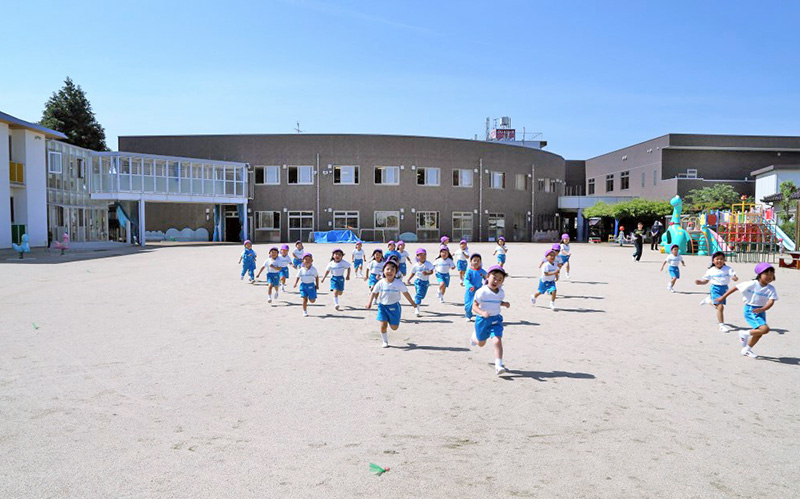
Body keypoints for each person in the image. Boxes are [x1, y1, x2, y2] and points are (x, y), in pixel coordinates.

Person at [714, 262, 778, 359]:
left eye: (771, 274)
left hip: (761, 310)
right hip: (751, 310)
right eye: (766, 274)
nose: (769, 276)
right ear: (760, 274)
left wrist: (763, 309)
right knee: (765, 329)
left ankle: (746, 349)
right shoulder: (752, 283)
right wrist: (722, 297)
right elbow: (735, 287)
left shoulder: (771, 288)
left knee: (759, 333)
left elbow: (771, 301)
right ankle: (744, 333)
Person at [366, 259, 418, 348]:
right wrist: (369, 303)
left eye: (392, 270)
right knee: (383, 326)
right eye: (388, 269)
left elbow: (406, 293)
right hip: (382, 306)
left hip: (394, 307)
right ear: (383, 270)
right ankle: (385, 341)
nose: (390, 271)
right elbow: (373, 292)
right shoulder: (381, 282)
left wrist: (413, 304)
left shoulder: (399, 283)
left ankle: (393, 319)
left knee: (394, 327)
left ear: (396, 272)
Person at [470, 265, 511, 375]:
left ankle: (498, 365)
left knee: (497, 340)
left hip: (496, 319)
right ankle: (474, 337)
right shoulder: (481, 292)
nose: (496, 281)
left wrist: (504, 303)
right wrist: (482, 313)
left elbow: (496, 302)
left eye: (500, 279)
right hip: (482, 320)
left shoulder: (501, 293)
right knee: (481, 343)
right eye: (494, 277)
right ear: (488, 276)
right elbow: (474, 306)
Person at [696, 251, 739, 331]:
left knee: (719, 307)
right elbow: (706, 280)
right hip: (715, 289)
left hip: (724, 289)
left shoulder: (728, 269)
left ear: (724, 260)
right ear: (713, 261)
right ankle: (721, 325)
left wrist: (735, 278)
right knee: (720, 307)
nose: (719, 261)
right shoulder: (711, 270)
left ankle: (708, 301)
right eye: (717, 259)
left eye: (722, 259)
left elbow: (733, 276)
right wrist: (700, 282)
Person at [293, 252, 319, 317]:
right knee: (305, 299)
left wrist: (317, 285)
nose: (307, 261)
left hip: (311, 286)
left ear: (312, 261)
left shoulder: (314, 269)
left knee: (312, 301)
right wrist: (295, 283)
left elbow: (316, 277)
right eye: (306, 259)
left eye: (309, 259)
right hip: (303, 286)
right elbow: (298, 277)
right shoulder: (301, 270)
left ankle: (313, 294)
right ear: (303, 261)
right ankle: (304, 311)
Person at [463, 253, 487, 321]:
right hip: (470, 290)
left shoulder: (482, 271)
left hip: (479, 290)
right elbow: (466, 279)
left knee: (480, 303)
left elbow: (487, 277)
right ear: (471, 261)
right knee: (468, 304)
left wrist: (487, 283)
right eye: (474, 260)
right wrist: (469, 286)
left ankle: (479, 315)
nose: (476, 262)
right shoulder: (469, 271)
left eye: (478, 261)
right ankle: (468, 315)